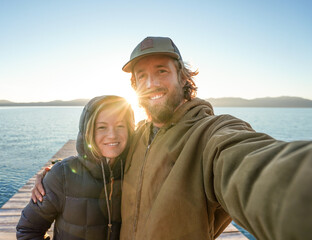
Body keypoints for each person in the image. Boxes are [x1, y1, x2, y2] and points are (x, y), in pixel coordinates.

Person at [32, 37, 312, 240]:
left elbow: (252, 165)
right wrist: (55, 172)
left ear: (182, 76)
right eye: (142, 76)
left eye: (161, 71)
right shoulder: (137, 137)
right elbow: (100, 163)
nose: (151, 83)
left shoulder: (210, 134)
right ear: (136, 87)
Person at [17, 95, 135, 240]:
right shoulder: (62, 175)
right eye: (102, 127)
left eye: (120, 126)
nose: (112, 135)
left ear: (130, 129)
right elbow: (28, 230)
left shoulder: (135, 169)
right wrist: (54, 172)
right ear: (88, 132)